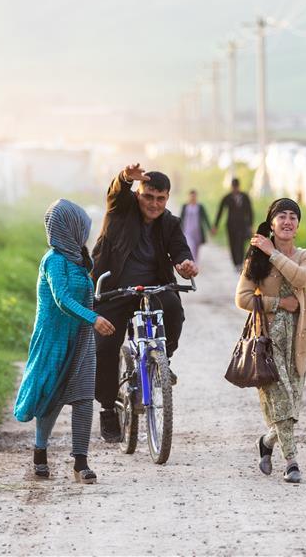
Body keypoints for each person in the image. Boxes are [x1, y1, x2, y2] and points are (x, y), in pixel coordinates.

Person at [92, 163, 198, 442]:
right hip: (115, 289)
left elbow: (180, 250)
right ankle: (107, 408)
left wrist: (185, 264)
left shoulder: (170, 223)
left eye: (160, 198)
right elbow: (116, 193)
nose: (154, 204)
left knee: (173, 309)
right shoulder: (122, 210)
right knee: (105, 346)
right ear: (138, 194)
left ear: (167, 198)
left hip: (152, 289)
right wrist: (124, 178)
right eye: (148, 196)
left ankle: (162, 361)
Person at [13, 199, 116, 483]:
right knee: (51, 397)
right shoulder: (53, 261)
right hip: (54, 339)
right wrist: (93, 318)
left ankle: (81, 462)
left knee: (84, 398)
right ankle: (40, 452)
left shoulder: (80, 260)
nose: (84, 234)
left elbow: (86, 294)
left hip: (81, 338)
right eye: (81, 228)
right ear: (67, 229)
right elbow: (62, 299)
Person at [235, 198, 306, 484]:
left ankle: (267, 441)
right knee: (281, 400)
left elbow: (302, 279)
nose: (287, 221)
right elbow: (242, 298)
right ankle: (292, 462)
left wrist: (272, 253)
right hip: (266, 343)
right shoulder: (255, 258)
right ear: (272, 223)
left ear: (298, 225)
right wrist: (279, 303)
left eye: (293, 216)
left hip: (298, 341)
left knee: (291, 408)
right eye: (282, 216)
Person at [212, 178, 254, 272]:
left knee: (240, 244)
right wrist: (216, 225)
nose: (235, 188)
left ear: (238, 186)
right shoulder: (227, 197)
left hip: (242, 225)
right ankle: (235, 263)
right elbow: (220, 211)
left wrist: (251, 225)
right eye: (233, 187)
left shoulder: (245, 197)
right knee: (232, 244)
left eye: (236, 186)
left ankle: (240, 263)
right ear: (231, 187)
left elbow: (250, 211)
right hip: (230, 225)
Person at [179, 189, 211, 262]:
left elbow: (205, 218)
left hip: (197, 232)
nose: (193, 198)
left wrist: (210, 228)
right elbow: (181, 218)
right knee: (190, 247)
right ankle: (191, 262)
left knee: (196, 249)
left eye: (194, 196)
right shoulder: (185, 206)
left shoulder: (200, 207)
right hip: (187, 232)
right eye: (191, 196)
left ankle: (195, 262)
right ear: (189, 197)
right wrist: (178, 229)